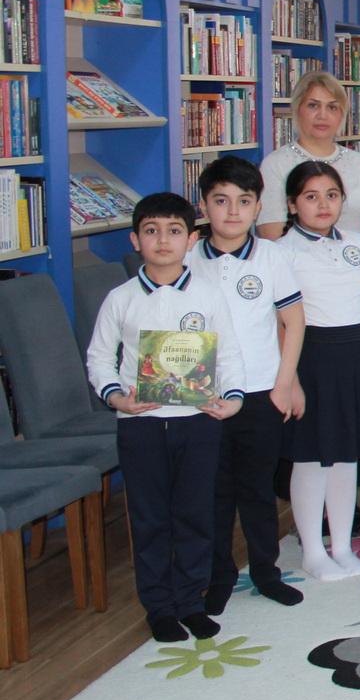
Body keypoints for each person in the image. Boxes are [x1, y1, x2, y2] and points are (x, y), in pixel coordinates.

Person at [87, 193, 246, 643]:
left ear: (191, 239)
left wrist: (232, 399)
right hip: (141, 423)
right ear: (135, 240)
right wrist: (116, 397)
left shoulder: (208, 294)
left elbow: (229, 354)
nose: (163, 240)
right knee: (150, 517)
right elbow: (99, 357)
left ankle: (190, 601)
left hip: (198, 420)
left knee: (194, 513)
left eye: (174, 231)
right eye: (151, 231)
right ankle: (158, 606)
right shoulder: (120, 299)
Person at [188, 157, 306, 614]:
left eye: (243, 201)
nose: (232, 211)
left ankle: (265, 572)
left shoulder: (272, 257)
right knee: (213, 492)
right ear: (204, 206)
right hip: (205, 396)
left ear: (258, 207)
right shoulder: (188, 258)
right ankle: (218, 576)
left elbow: (294, 323)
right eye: (221, 201)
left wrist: (284, 384)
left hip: (260, 392)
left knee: (257, 489)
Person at [276, 160, 360, 583]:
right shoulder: (282, 252)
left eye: (331, 195)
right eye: (311, 197)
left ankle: (341, 545)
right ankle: (312, 550)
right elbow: (280, 323)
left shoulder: (358, 245)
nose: (323, 205)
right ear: (292, 204)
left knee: (346, 458)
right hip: (310, 361)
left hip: (354, 359)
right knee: (311, 459)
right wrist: (289, 381)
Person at [258, 71, 360, 258]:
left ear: (342, 114)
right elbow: (273, 234)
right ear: (297, 109)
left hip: (359, 269)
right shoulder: (276, 165)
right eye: (313, 105)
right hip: (299, 271)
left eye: (332, 107)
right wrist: (324, 271)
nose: (322, 115)